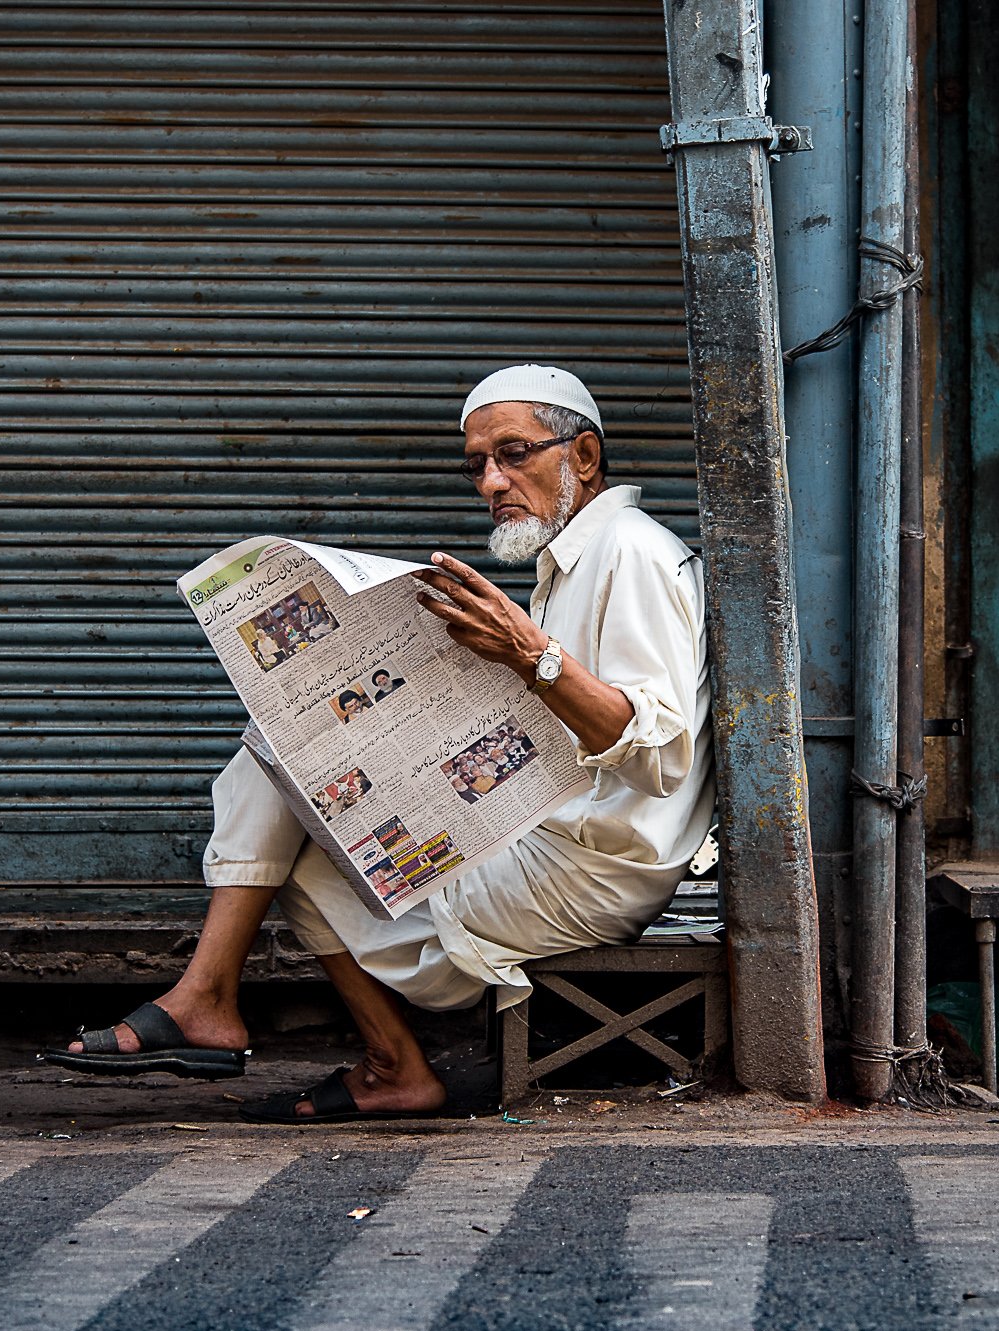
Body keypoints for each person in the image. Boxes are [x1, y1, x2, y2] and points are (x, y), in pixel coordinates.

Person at [44, 364, 715, 1122]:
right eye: (477, 465)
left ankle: (214, 998)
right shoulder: (572, 559)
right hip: (544, 827)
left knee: (290, 769)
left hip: (589, 864)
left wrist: (532, 656)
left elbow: (661, 753)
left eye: (514, 453)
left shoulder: (630, 549)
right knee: (291, 753)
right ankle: (373, 1057)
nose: (492, 481)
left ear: (584, 457)